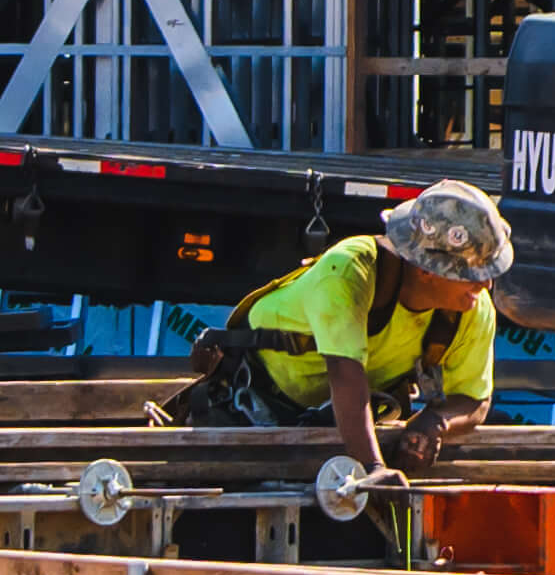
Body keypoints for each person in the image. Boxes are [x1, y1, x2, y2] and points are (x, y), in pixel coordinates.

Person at [178, 180, 512, 440]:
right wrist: (373, 469)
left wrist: (432, 426)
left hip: (341, 419)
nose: (485, 287)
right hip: (255, 401)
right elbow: (345, 374)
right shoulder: (351, 271)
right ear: (427, 268)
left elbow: (474, 400)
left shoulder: (468, 306)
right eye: (472, 276)